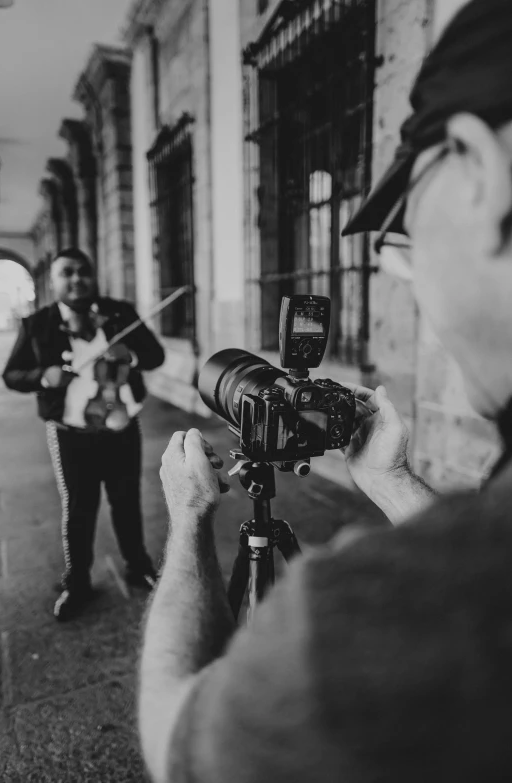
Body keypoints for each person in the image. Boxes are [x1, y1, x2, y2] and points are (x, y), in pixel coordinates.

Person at [138, 1, 512, 780]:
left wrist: (187, 524)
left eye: (403, 235)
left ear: (481, 172)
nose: (405, 271)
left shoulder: (368, 619)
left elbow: (176, 739)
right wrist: (394, 482)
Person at [3, 248, 165, 621]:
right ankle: (78, 581)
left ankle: (137, 565)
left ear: (94, 277)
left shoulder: (119, 313)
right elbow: (12, 375)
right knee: (79, 508)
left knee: (127, 500)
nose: (77, 280)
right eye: (67, 273)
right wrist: (44, 376)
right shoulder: (38, 325)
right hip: (70, 433)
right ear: (54, 281)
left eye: (84, 272)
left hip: (123, 426)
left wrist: (131, 356)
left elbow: (154, 355)